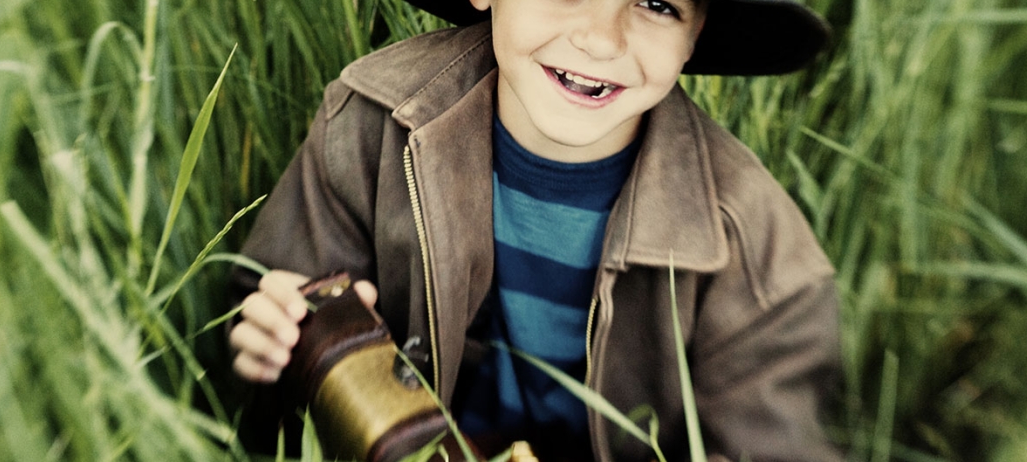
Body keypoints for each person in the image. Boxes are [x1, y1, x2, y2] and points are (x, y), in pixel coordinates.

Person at [225, 0, 842, 460]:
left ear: (696, 32)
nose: (600, 39)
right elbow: (262, 362)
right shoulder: (371, 124)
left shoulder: (757, 252)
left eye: (658, 3)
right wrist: (275, 346)